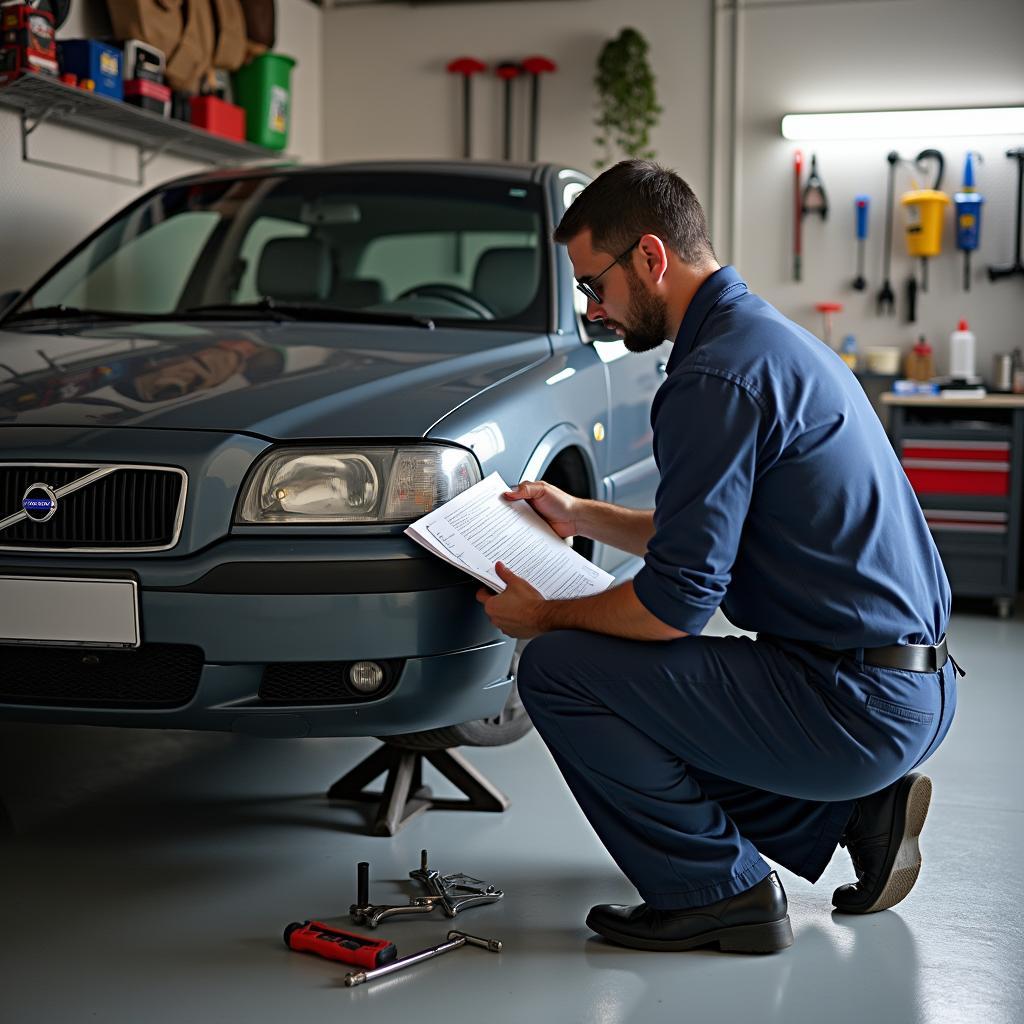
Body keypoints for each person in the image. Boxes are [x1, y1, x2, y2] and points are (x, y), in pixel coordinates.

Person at [475, 160, 959, 955]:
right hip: (909, 683)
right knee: (650, 688)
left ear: (652, 259)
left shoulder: (715, 378)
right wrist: (578, 512)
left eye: (595, 285)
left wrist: (543, 615)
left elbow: (673, 608)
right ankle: (847, 815)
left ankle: (719, 893)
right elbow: (703, 532)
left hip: (855, 703)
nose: (593, 310)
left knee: (560, 670)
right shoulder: (762, 339)